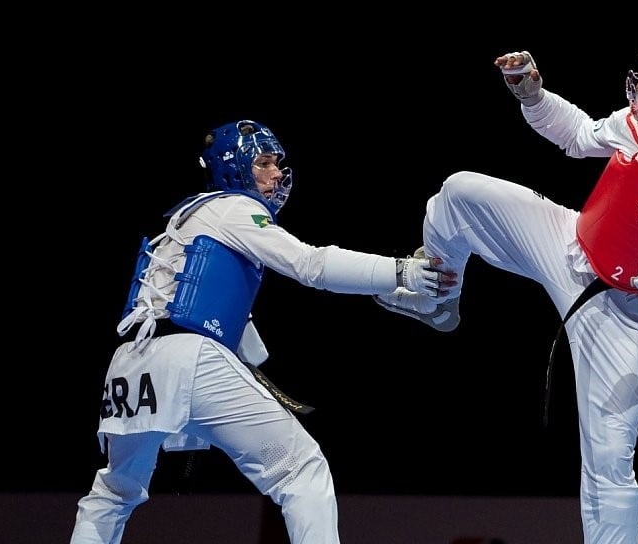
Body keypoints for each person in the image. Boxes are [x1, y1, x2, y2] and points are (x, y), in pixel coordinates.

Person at [373, 30, 638, 544]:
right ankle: (436, 298)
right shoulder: (634, 125)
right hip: (567, 242)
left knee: (610, 464)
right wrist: (534, 95)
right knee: (459, 193)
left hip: (623, 311)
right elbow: (577, 135)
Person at [70, 119, 457, 544]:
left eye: (277, 164)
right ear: (234, 167)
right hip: (189, 360)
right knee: (302, 470)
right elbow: (310, 264)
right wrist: (399, 272)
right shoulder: (232, 208)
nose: (277, 174)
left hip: (129, 365)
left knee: (112, 491)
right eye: (265, 163)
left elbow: (240, 341)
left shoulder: (186, 221)